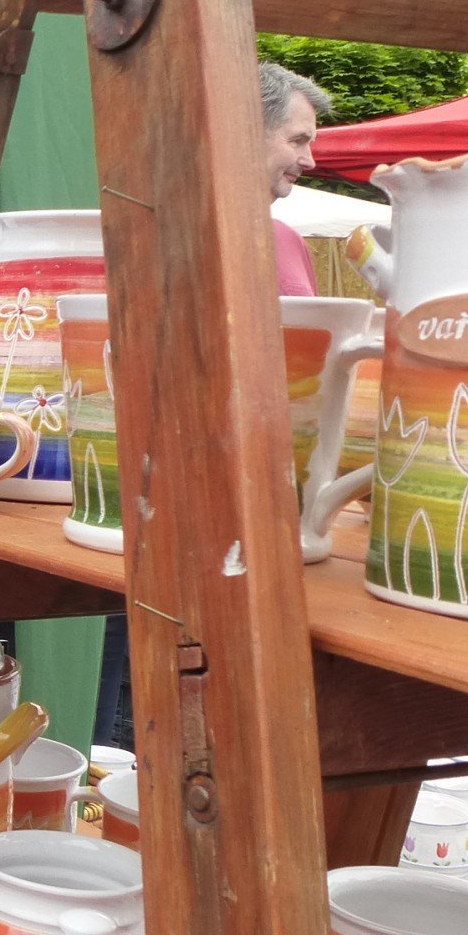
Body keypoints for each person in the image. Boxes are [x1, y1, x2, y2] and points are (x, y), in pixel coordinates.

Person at [89, 60, 337, 746]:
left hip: (251, 523)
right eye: (296, 140)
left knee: (207, 724)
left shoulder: (283, 240)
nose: (310, 160)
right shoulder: (153, 224)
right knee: (128, 730)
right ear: (238, 129)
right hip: (161, 516)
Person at [260, 61, 325, 297]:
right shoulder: (184, 238)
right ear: (246, 131)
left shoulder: (289, 240)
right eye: (298, 140)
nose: (310, 161)